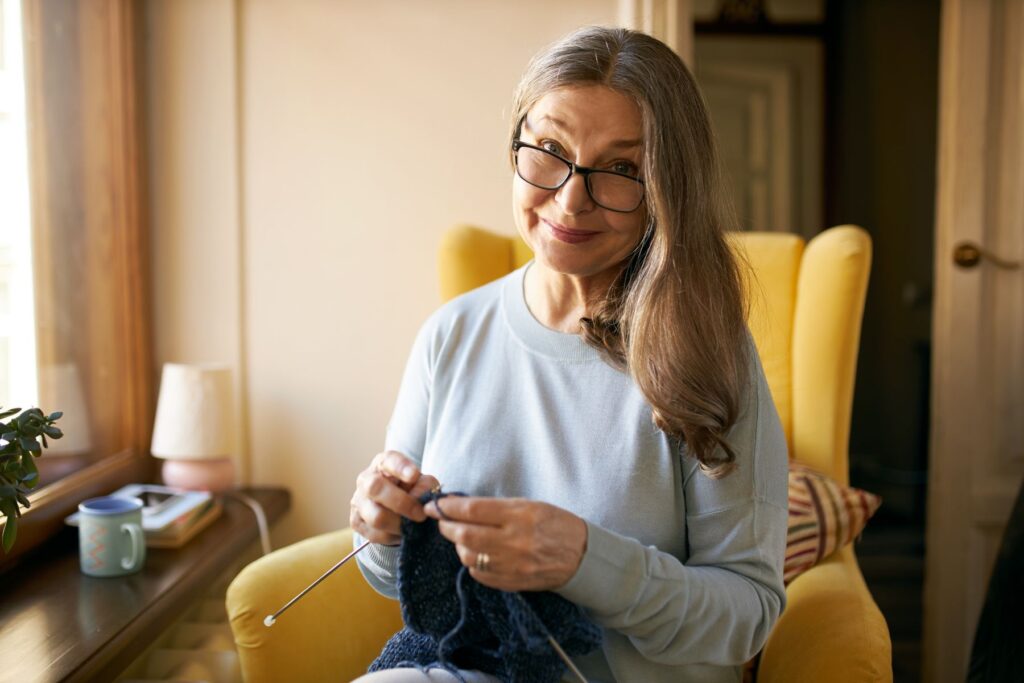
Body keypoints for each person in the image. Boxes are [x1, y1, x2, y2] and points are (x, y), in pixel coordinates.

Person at [349, 25, 788, 683]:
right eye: (550, 149)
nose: (570, 198)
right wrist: (380, 528)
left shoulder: (709, 355)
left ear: (667, 189)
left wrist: (587, 561)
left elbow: (747, 612)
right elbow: (394, 581)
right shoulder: (451, 334)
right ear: (516, 144)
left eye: (620, 169)